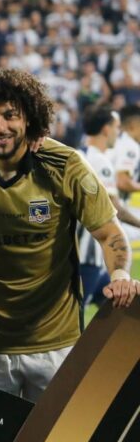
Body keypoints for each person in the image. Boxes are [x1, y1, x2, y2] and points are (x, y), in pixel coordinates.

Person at [0, 68, 140, 401]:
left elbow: (108, 233)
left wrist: (118, 273)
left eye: (10, 115)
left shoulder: (65, 164)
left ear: (29, 117)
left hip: (56, 343)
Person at [78, 105, 140, 306]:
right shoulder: (100, 162)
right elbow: (114, 209)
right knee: (74, 320)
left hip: (84, 252)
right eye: (116, 127)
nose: (118, 133)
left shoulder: (77, 154)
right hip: (88, 253)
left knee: (121, 306)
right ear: (106, 129)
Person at [113, 104, 140, 197]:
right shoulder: (131, 145)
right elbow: (123, 182)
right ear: (132, 125)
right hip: (113, 205)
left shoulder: (115, 140)